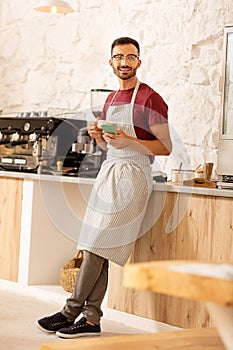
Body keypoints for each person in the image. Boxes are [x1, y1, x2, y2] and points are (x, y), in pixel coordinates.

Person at [37, 36, 172, 339]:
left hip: (134, 176)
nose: (125, 62)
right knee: (95, 245)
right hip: (110, 172)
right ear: (110, 62)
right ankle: (91, 319)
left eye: (131, 57)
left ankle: (70, 311)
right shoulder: (110, 100)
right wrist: (97, 134)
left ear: (139, 61)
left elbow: (165, 147)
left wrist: (131, 141)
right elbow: (109, 145)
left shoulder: (151, 98)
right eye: (119, 57)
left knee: (98, 244)